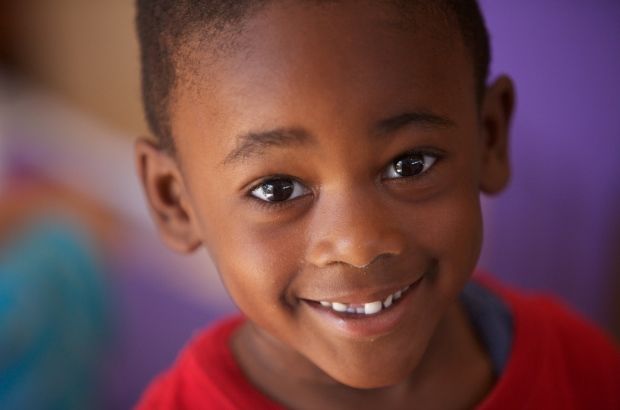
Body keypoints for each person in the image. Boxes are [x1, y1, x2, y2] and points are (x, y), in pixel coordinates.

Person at [134, 1, 620, 408]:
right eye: (277, 189)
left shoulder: (580, 366)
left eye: (410, 164)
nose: (358, 244)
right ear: (174, 202)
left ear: (489, 138)